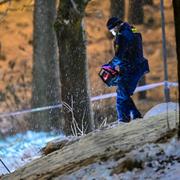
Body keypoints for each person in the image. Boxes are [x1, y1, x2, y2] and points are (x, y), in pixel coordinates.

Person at [105, 17, 149, 123]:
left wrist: (109, 65)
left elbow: (119, 57)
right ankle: (129, 117)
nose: (112, 33)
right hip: (137, 67)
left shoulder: (122, 36)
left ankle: (127, 119)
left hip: (131, 69)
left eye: (112, 30)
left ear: (116, 27)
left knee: (122, 94)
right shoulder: (132, 30)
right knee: (123, 93)